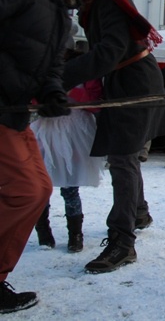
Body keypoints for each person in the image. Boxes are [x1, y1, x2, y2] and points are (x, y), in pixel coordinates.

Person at [0, 0, 97, 314]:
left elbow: (52, 64)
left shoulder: (61, 15)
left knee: (36, 190)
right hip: (3, 108)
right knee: (25, 190)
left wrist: (54, 92)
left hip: (16, 113)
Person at [63, 0, 165, 274]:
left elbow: (109, 52)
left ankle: (122, 242)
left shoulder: (107, 0)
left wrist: (60, 77)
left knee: (123, 159)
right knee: (125, 156)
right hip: (130, 80)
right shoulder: (102, 0)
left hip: (134, 81)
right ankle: (138, 211)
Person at [31, 48, 105, 253]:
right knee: (42, 183)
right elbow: (34, 99)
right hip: (48, 130)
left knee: (71, 185)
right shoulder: (46, 71)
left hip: (75, 132)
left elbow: (95, 103)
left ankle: (76, 235)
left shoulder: (86, 73)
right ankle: (43, 232)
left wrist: (73, 92)